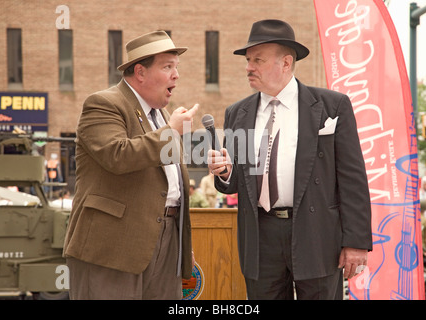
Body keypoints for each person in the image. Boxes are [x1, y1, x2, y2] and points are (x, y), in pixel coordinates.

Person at [207, 19, 372, 300]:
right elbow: (235, 182)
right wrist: (224, 171)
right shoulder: (238, 113)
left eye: (257, 59)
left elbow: (352, 179)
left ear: (285, 63)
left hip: (317, 233)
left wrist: (356, 242)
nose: (249, 67)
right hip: (260, 238)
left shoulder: (332, 106)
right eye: (248, 60)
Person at [63, 30, 198, 300]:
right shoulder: (103, 103)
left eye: (176, 67)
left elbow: (170, 186)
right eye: (167, 67)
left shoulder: (162, 115)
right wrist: (170, 133)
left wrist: (180, 244)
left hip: (166, 243)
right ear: (140, 72)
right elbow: (117, 155)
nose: (176, 75)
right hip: (112, 247)